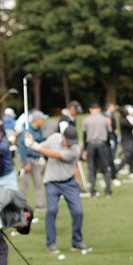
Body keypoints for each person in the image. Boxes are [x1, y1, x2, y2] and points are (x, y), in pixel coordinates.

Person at [25, 125, 90, 254]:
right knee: (52, 210)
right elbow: (42, 148)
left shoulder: (75, 150)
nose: (70, 145)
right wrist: (30, 142)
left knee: (78, 212)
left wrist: (34, 145)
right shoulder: (54, 138)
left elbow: (55, 154)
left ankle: (76, 242)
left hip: (69, 182)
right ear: (62, 137)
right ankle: (51, 244)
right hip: (52, 182)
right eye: (68, 142)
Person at [17, 110, 47, 210]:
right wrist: (25, 163)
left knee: (38, 182)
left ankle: (40, 205)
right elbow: (22, 147)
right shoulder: (26, 130)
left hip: (36, 159)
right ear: (37, 120)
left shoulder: (39, 130)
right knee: (25, 183)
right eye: (42, 119)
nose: (43, 121)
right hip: (26, 159)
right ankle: (21, 205)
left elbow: (40, 142)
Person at [82, 103, 113, 198]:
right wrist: (108, 147)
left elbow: (84, 136)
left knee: (91, 168)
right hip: (102, 144)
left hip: (90, 145)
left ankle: (93, 192)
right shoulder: (105, 119)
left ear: (90, 109)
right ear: (99, 109)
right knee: (105, 168)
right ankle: (108, 191)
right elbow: (109, 134)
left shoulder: (86, 120)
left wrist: (85, 149)